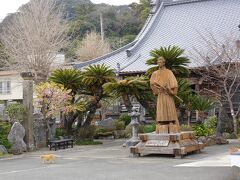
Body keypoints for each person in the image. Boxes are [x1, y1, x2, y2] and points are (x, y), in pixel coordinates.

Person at [150, 56, 180, 133]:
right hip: (160, 94)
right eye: (158, 62)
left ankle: (171, 121)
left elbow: (174, 84)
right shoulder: (155, 73)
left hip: (168, 95)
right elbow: (152, 83)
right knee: (161, 108)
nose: (159, 63)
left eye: (160, 62)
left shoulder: (169, 72)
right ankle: (161, 121)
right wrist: (157, 89)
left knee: (169, 107)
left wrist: (169, 89)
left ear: (164, 63)